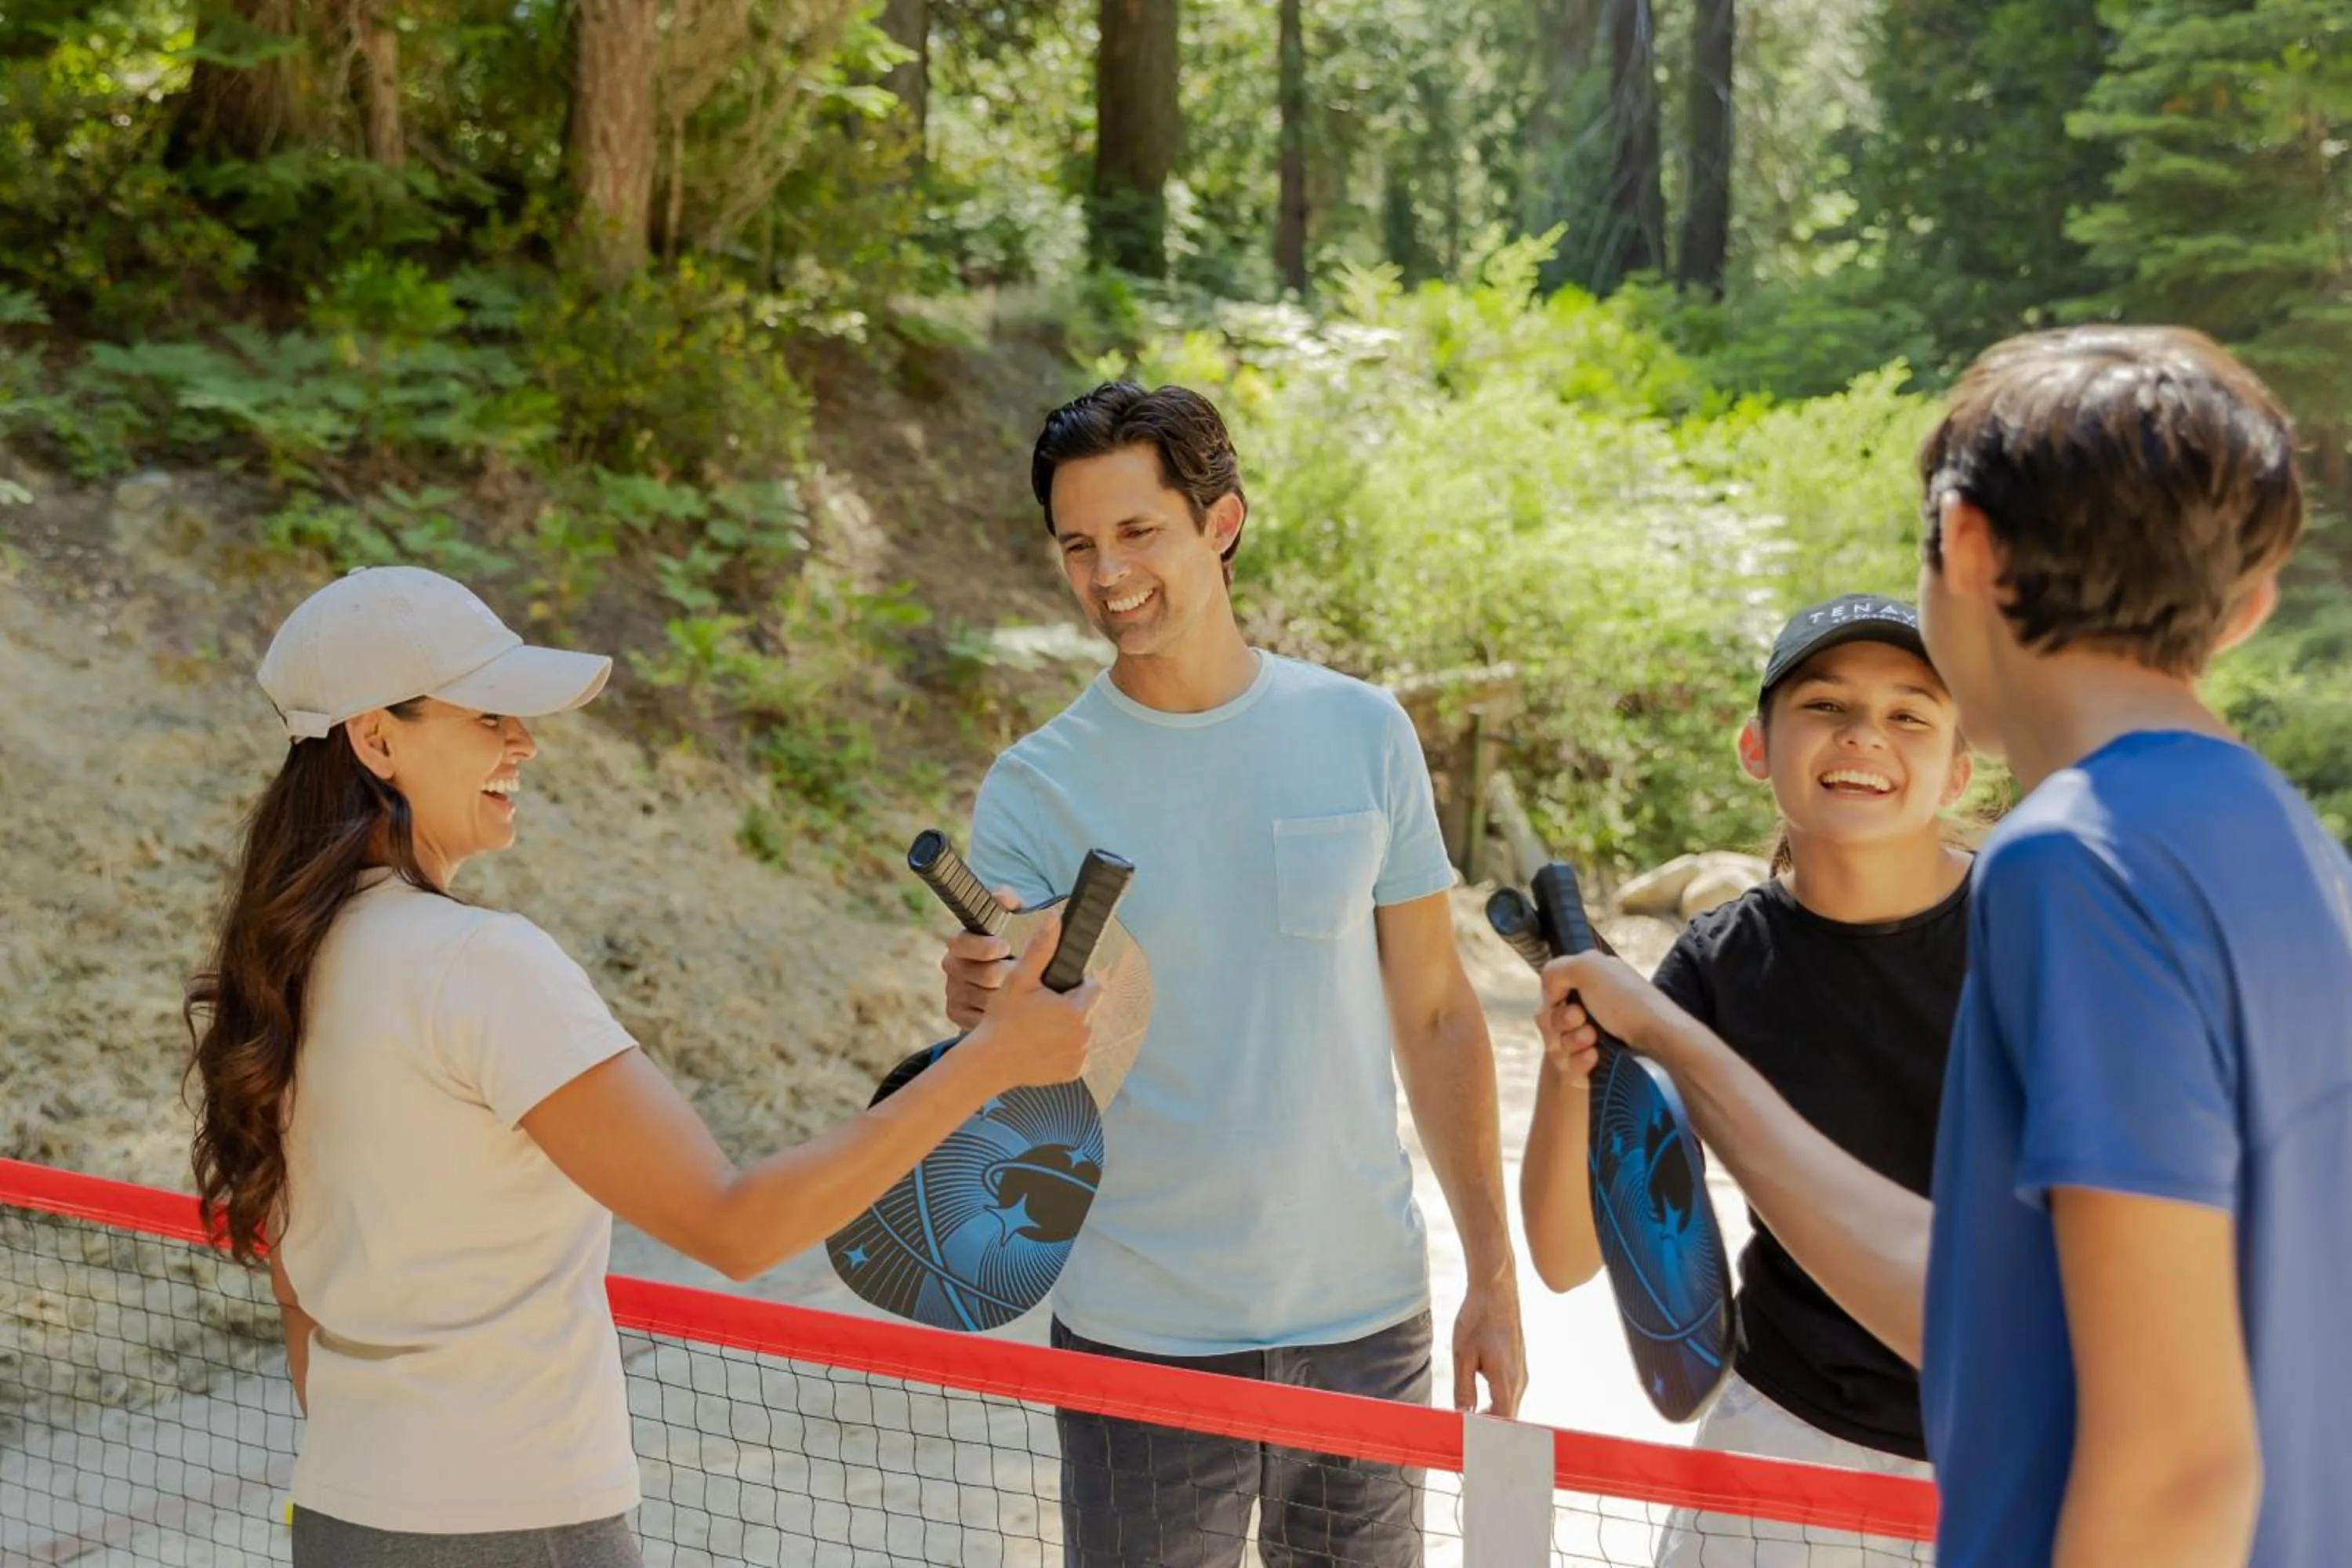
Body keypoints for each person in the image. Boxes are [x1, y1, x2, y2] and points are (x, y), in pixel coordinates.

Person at [1537, 325, 2352, 1566]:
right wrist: (1666, 1041)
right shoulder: (2292, 848)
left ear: (1965, 544)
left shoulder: (2075, 859)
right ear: (2247, 609)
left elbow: (2171, 1448)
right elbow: (1986, 1302)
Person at [184, 565, 1100, 1568]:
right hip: (517, 1520)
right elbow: (737, 1224)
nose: (523, 741)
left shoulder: (285, 967)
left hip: (343, 1511)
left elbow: (299, 1296)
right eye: (489, 714)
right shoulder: (479, 965)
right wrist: (995, 1056)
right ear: (377, 737)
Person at [938, 382, 1523, 1567]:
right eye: (1078, 546)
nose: (1109, 574)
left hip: (1368, 1325)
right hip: (1138, 1336)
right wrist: (983, 1007)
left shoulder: (1364, 733)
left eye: (1139, 532)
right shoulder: (1034, 789)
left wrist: (1494, 1276)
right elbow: (1020, 1067)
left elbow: (1437, 1011)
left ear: (1221, 522)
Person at [1526, 593, 1971, 1567]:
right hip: (1784, 1447)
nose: (1865, 736)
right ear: (1755, 746)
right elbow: (1563, 1255)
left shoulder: (2036, 930)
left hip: (2004, 1465)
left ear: (1958, 767)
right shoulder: (1720, 962)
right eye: (1825, 705)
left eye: (1909, 713)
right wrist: (1578, 1065)